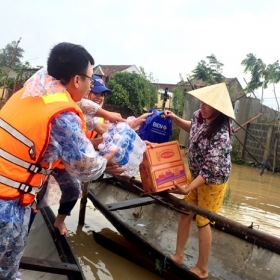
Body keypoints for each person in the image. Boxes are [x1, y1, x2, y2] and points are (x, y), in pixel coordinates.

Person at [0, 42, 125, 280]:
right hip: (8, 204)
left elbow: (83, 104)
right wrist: (105, 161)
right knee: (6, 272)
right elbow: (86, 168)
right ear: (77, 80)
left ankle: (58, 221)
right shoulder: (62, 116)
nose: (91, 87)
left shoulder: (35, 86)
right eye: (90, 79)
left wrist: (106, 116)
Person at [49, 76, 153, 236]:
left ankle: (60, 220)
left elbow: (111, 133)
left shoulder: (96, 118)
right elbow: (80, 147)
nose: (99, 98)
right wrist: (103, 162)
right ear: (85, 92)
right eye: (95, 93)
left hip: (70, 164)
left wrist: (137, 138)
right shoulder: (72, 111)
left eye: (102, 95)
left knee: (73, 190)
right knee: (36, 195)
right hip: (53, 160)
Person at [164, 83, 235, 279]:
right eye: (202, 101)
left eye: (208, 104)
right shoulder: (199, 115)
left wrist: (187, 188)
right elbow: (192, 127)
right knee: (186, 212)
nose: (202, 106)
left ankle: (202, 269)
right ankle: (179, 255)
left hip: (212, 182)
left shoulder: (221, 134)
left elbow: (210, 169)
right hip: (196, 176)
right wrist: (175, 118)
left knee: (203, 221)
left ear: (218, 110)